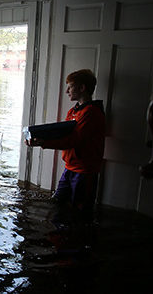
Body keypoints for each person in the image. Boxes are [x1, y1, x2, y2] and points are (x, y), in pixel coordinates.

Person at [26, 69, 105, 214]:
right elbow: (63, 135)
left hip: (84, 171)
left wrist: (43, 143)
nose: (67, 91)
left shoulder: (91, 113)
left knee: (79, 212)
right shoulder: (73, 111)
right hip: (70, 167)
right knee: (58, 205)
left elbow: (73, 141)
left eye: (70, 86)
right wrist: (40, 139)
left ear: (82, 88)